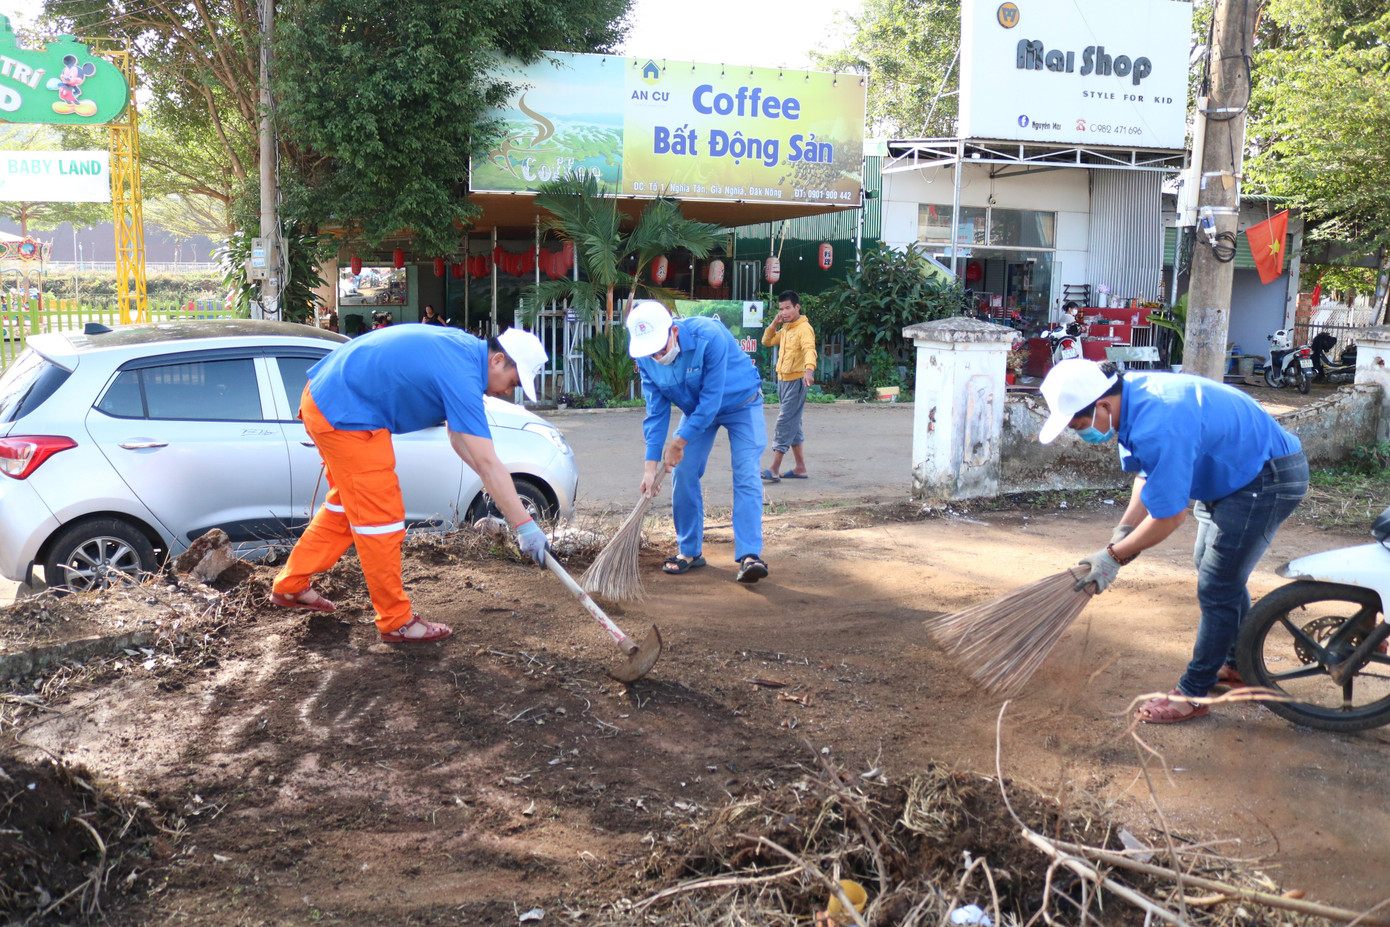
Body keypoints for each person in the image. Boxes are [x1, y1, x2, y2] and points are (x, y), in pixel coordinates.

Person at [1038, 359, 1308, 723]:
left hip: (1265, 477)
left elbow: (1169, 517)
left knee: (1218, 584)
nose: (1082, 434)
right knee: (1213, 569)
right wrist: (1123, 530)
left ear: (1102, 405)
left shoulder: (1158, 421)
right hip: (1234, 473)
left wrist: (1113, 557)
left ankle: (1194, 692)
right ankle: (1239, 664)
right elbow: (1148, 473)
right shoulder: (1129, 397)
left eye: (1080, 425)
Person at [270, 325, 552, 643]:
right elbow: (488, 463)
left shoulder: (463, 354)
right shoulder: (462, 375)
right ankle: (396, 621)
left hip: (325, 399)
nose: (508, 392)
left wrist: (494, 484)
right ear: (498, 360)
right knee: (381, 519)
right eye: (513, 382)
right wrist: (525, 525)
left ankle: (290, 586)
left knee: (347, 507)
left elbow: (459, 439)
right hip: (346, 414)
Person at [626, 301, 769, 583]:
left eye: (661, 348)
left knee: (745, 472)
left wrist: (678, 443)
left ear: (674, 331)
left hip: (742, 403)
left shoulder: (709, 336)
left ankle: (749, 554)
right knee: (683, 472)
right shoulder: (645, 357)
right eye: (651, 352)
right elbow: (656, 413)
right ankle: (689, 550)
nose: (657, 356)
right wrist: (649, 468)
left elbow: (711, 400)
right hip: (697, 413)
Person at [760, 289, 817, 482]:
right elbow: (767, 341)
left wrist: (809, 371)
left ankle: (774, 468)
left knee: (784, 422)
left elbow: (810, 350)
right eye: (781, 309)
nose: (784, 312)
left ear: (797, 307)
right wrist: (775, 323)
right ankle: (800, 468)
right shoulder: (785, 329)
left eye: (787, 308)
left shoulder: (804, 329)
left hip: (797, 382)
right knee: (794, 425)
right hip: (783, 381)